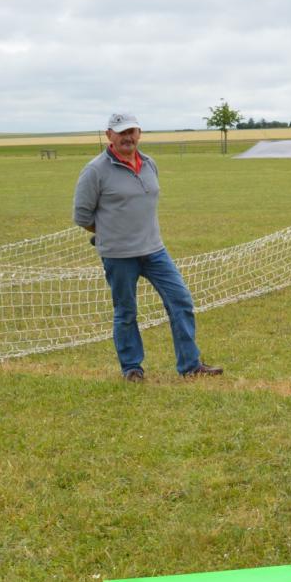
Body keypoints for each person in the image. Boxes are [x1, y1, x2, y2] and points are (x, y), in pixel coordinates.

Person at [73, 112, 223, 382]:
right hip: (119, 255)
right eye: (121, 132)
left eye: (131, 131)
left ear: (139, 133)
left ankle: (190, 365)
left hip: (154, 251)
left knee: (180, 301)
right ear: (109, 135)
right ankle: (132, 369)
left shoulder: (150, 164)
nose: (127, 137)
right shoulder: (95, 171)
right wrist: (111, 233)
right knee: (126, 312)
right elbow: (82, 216)